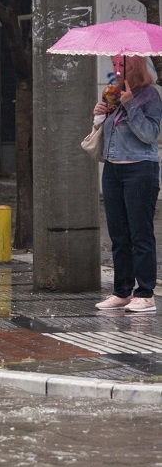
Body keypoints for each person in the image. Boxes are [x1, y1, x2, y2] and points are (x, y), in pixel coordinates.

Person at [93, 54, 161, 313]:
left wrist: (130, 105)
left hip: (139, 170)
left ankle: (145, 293)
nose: (117, 69)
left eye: (122, 64)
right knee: (118, 235)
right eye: (114, 64)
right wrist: (100, 115)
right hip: (112, 169)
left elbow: (150, 135)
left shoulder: (149, 95)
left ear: (137, 66)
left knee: (139, 233)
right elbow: (110, 135)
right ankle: (122, 291)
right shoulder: (115, 92)